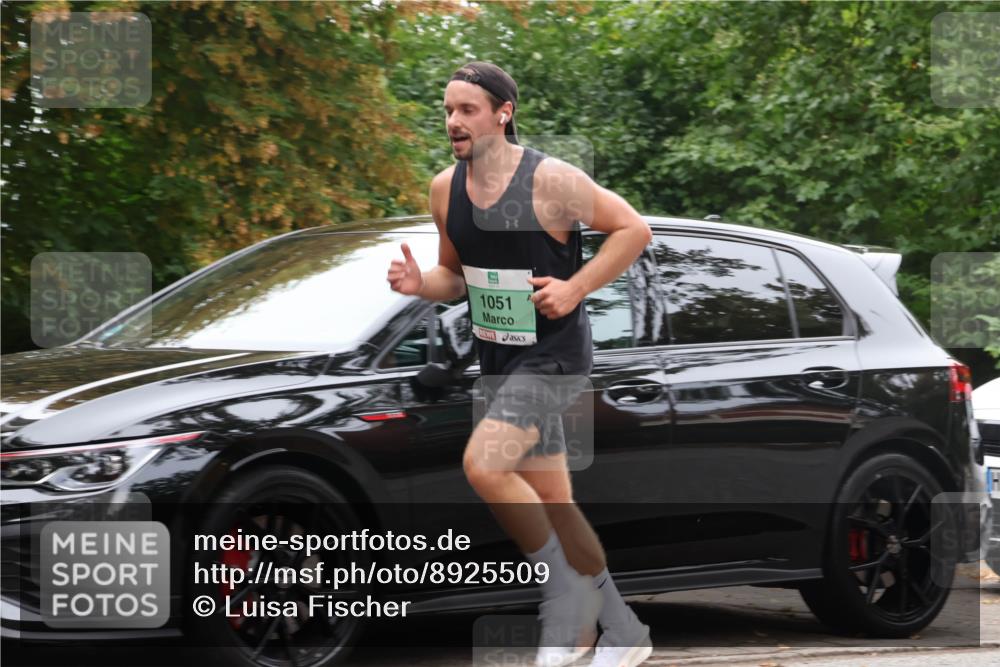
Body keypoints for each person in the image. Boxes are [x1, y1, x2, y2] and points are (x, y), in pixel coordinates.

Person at [386, 61, 653, 667]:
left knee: (484, 465)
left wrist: (576, 287)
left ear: (503, 114)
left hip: (554, 356)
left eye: (467, 109)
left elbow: (632, 230)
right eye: (448, 110)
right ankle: (623, 629)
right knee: (554, 502)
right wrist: (419, 284)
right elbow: (454, 276)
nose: (453, 121)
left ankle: (565, 600)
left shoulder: (550, 180)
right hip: (500, 359)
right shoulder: (445, 189)